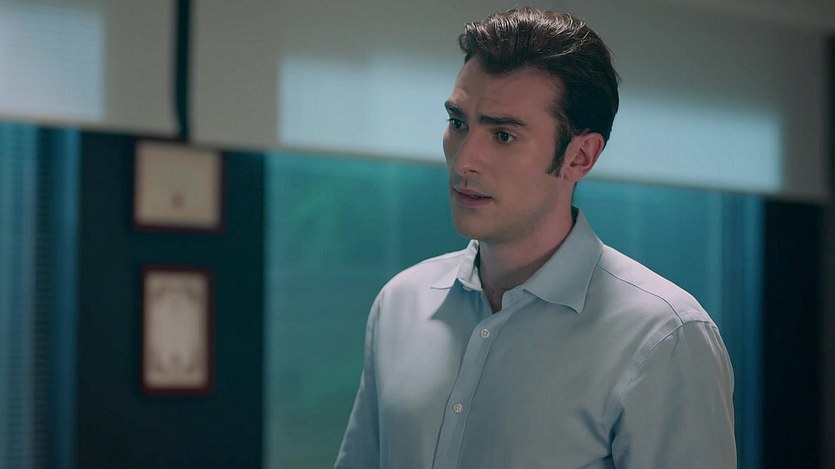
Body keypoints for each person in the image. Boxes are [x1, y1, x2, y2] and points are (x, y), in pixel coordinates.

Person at [335, 7, 736, 469]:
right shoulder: (400, 304)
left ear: (580, 157)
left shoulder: (664, 337)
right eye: (459, 123)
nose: (464, 161)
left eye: (504, 135)